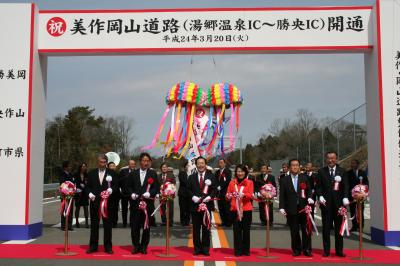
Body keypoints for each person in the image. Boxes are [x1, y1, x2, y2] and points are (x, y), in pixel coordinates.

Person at [316, 151, 349, 257]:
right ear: (326, 159)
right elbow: (318, 186)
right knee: (325, 229)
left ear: (337, 159)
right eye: (329, 158)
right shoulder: (321, 171)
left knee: (339, 229)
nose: (331, 160)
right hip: (326, 205)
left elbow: (346, 186)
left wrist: (345, 197)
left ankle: (339, 251)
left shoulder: (342, 171)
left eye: (333, 158)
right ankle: (326, 251)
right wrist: (320, 195)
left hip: (339, 205)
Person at [126, 153, 160, 255]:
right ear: (140, 161)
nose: (146, 163)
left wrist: (150, 193)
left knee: (146, 227)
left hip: (147, 204)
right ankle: (136, 246)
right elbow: (128, 186)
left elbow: (156, 188)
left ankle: (144, 246)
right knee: (135, 226)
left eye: (147, 161)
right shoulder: (133, 173)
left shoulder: (153, 174)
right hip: (135, 204)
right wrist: (131, 194)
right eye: (144, 161)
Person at [279, 159, 313, 257]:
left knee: (306, 230)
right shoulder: (284, 179)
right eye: (293, 165)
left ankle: (307, 249)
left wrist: (310, 197)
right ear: (289, 167)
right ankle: (296, 249)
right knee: (294, 230)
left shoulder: (304, 177)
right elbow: (282, 195)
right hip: (291, 208)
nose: (295, 167)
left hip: (304, 207)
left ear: (299, 167)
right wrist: (282, 207)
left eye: (297, 165)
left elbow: (309, 190)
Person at [86, 154, 118, 254]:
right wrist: (90, 194)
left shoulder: (112, 173)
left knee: (107, 226)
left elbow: (116, 185)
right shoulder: (91, 173)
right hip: (95, 203)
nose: (102, 164)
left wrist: (111, 190)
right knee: (94, 225)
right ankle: (93, 246)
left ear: (106, 163)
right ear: (98, 162)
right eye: (101, 162)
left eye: (104, 162)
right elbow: (87, 187)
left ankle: (108, 247)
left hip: (107, 204)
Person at [187, 156, 216, 256]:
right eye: (198, 163)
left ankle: (205, 249)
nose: (200, 165)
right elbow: (188, 190)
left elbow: (215, 189)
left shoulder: (211, 176)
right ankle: (197, 248)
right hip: (195, 207)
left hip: (207, 207)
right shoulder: (191, 177)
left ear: (205, 164)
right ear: (196, 165)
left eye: (202, 163)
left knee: (206, 229)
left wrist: (210, 197)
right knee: (196, 229)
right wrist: (193, 197)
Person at [226, 164, 254, 256]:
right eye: (238, 171)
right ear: (236, 172)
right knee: (236, 231)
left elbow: (251, 195)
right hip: (234, 209)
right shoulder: (232, 183)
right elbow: (228, 194)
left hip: (246, 210)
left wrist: (243, 195)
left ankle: (246, 250)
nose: (240, 173)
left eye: (242, 171)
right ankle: (237, 250)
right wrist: (228, 196)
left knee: (246, 231)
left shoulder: (249, 182)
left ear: (245, 172)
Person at [347, 159, 369, 232]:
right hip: (352, 196)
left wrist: (364, 193)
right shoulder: (348, 173)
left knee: (360, 211)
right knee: (353, 211)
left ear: (357, 165)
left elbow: (366, 183)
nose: (352, 165)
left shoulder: (362, 173)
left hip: (360, 196)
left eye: (354, 163)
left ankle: (360, 226)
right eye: (351, 163)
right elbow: (346, 184)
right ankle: (354, 226)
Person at [215, 158, 232, 227]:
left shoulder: (228, 171)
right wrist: (216, 187)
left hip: (225, 192)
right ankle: (223, 221)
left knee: (227, 208)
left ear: (225, 163)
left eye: (222, 163)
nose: (220, 164)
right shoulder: (217, 172)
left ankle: (229, 222)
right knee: (220, 208)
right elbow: (215, 180)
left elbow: (227, 181)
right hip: (219, 193)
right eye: (219, 163)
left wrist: (221, 186)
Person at [119, 159, 136, 228]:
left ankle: (132, 223)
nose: (132, 165)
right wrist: (125, 177)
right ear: (128, 165)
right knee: (124, 209)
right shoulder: (123, 171)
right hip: (124, 193)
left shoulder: (137, 172)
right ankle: (124, 223)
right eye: (131, 164)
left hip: (133, 194)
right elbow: (119, 180)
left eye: (133, 164)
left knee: (133, 209)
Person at [158, 162, 176, 226]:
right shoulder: (159, 176)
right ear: (161, 168)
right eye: (163, 167)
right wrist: (158, 193)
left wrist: (171, 190)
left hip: (169, 195)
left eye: (165, 167)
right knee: (162, 208)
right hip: (161, 195)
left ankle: (170, 222)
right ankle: (164, 221)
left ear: (167, 168)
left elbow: (174, 183)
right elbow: (157, 185)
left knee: (170, 208)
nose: (164, 168)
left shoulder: (171, 175)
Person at [59, 160, 74, 231]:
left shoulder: (71, 174)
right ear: (65, 167)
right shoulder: (62, 174)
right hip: (65, 194)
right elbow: (62, 183)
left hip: (71, 194)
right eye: (69, 166)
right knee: (64, 210)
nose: (70, 167)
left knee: (70, 210)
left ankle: (69, 225)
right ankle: (63, 225)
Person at [74, 162, 89, 228]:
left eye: (85, 166)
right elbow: (74, 183)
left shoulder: (87, 175)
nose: (84, 167)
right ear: (80, 167)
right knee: (77, 208)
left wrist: (85, 186)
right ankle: (77, 221)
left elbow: (88, 184)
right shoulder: (76, 174)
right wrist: (78, 188)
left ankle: (87, 222)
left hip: (85, 193)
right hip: (78, 193)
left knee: (86, 208)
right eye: (82, 166)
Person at [107, 161, 120, 228]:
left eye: (113, 166)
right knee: (109, 208)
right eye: (111, 165)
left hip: (116, 194)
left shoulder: (117, 174)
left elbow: (118, 184)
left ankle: (114, 222)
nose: (112, 167)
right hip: (107, 194)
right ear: (108, 167)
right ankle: (109, 221)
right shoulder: (106, 174)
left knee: (115, 208)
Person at [178, 161, 191, 226]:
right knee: (183, 208)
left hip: (190, 194)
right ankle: (183, 221)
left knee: (188, 208)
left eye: (189, 166)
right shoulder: (182, 173)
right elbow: (184, 182)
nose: (188, 167)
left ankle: (187, 221)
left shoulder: (192, 174)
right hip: (182, 194)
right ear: (185, 166)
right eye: (187, 165)